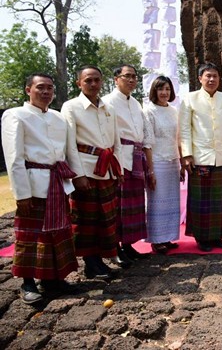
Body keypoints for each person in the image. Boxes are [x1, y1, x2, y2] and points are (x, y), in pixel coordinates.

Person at [2, 74, 78, 304]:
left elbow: (66, 152)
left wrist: (72, 181)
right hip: (33, 184)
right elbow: (14, 158)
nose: (46, 92)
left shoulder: (58, 117)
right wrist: (22, 194)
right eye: (40, 87)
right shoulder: (15, 115)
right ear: (28, 90)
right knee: (30, 236)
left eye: (50, 88)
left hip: (57, 183)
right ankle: (28, 284)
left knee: (58, 234)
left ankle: (53, 279)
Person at [62, 65, 122, 280]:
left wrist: (118, 168)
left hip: (108, 169)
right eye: (88, 80)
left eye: (97, 80)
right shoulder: (71, 107)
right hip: (86, 170)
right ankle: (91, 262)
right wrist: (77, 174)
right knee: (86, 219)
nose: (93, 84)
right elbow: (69, 144)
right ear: (79, 83)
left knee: (106, 217)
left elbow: (116, 140)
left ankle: (99, 261)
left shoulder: (108, 107)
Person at [179, 63, 222, 252]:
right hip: (199, 157)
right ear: (200, 78)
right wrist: (187, 155)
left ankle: (217, 235)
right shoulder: (190, 98)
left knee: (219, 199)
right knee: (200, 199)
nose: (211, 79)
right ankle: (202, 237)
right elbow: (185, 129)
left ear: (219, 79)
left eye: (215, 76)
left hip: (221, 156)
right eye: (208, 76)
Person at [103, 65, 149, 266]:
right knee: (119, 207)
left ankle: (128, 244)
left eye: (134, 77)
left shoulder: (136, 103)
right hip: (119, 158)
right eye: (127, 76)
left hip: (136, 158)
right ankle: (116, 248)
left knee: (134, 206)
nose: (131, 80)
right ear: (116, 79)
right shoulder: (108, 102)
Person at [143, 76, 183, 254]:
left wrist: (181, 163)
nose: (164, 93)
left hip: (173, 161)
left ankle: (167, 237)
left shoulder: (174, 111)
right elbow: (147, 143)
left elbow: (178, 139)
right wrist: (150, 170)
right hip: (157, 161)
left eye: (167, 89)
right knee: (157, 202)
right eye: (160, 89)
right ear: (154, 91)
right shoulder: (149, 111)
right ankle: (156, 239)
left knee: (171, 202)